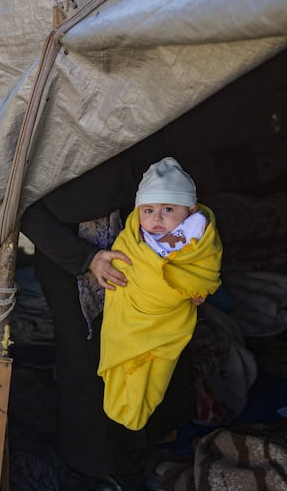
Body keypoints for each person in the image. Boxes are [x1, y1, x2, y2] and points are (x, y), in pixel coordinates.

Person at [20, 136, 197, 489]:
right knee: (87, 363)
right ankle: (94, 463)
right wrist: (87, 259)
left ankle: (144, 441)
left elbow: (171, 206)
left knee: (147, 348)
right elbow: (24, 211)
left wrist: (189, 275)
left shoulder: (123, 127)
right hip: (68, 261)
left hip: (135, 248)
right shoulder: (40, 137)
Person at [98, 157, 222, 434]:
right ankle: (125, 409)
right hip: (131, 319)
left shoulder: (197, 231)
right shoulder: (132, 237)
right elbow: (123, 263)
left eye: (168, 209)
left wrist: (195, 287)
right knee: (126, 367)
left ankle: (144, 416)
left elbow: (205, 269)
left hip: (167, 321)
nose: (156, 219)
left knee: (157, 375)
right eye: (149, 210)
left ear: (190, 210)